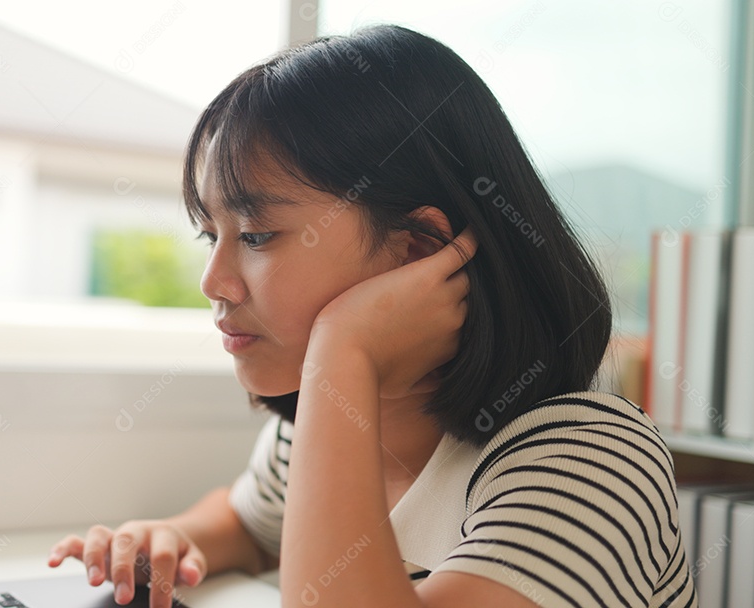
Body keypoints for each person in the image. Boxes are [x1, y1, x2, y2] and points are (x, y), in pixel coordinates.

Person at [47, 24, 697, 608]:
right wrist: (173, 538)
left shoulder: (590, 462)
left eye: (256, 235)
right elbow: (245, 524)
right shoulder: (321, 429)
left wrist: (342, 349)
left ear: (416, 252)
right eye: (207, 235)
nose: (211, 282)